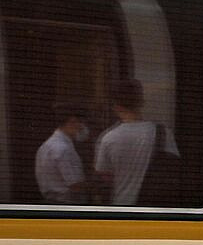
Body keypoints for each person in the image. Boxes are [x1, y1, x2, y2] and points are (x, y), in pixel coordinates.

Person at [94, 79, 175, 207]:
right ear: (141, 102)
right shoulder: (163, 133)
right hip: (156, 208)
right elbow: (172, 168)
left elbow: (104, 175)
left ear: (115, 106)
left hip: (121, 205)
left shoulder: (108, 138)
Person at [35, 105, 90, 205]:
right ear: (71, 122)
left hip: (52, 201)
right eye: (79, 122)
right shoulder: (63, 149)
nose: (81, 127)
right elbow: (75, 185)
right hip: (66, 203)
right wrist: (95, 185)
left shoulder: (47, 145)